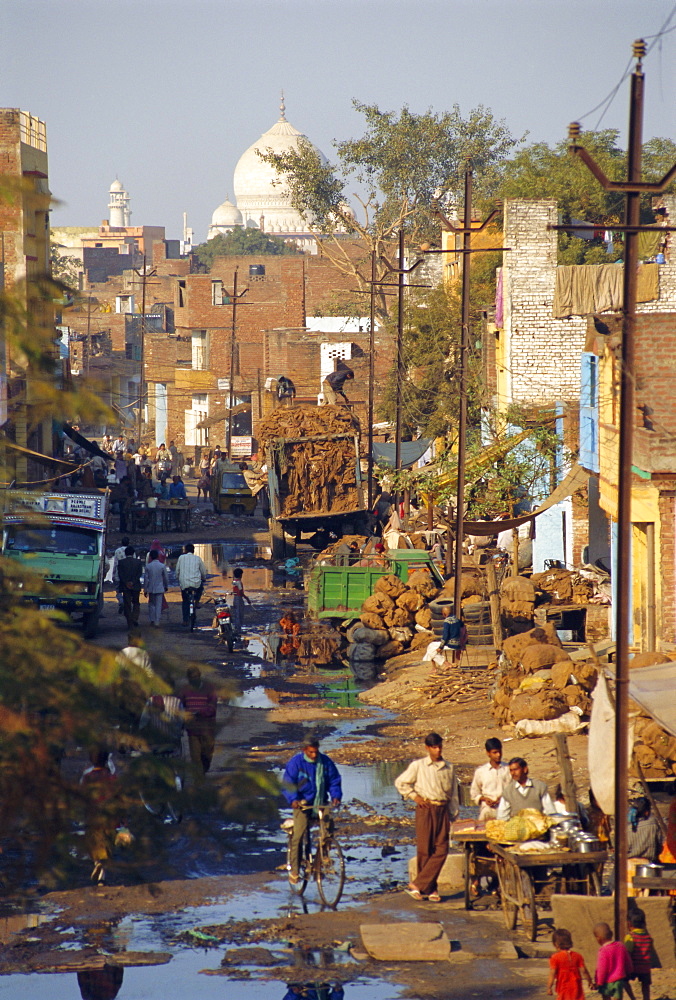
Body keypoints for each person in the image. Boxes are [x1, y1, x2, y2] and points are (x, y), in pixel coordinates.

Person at [394, 732, 459, 902]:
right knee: (425, 849)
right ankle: (430, 889)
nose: (437, 750)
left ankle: (418, 884)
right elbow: (401, 782)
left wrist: (453, 815)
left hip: (442, 809)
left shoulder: (449, 767)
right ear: (427, 748)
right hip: (425, 808)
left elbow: (453, 794)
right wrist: (414, 796)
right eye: (434, 747)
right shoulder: (419, 766)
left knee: (442, 849)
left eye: (439, 747)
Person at [282, 736, 342, 884]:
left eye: (316, 752)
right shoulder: (296, 763)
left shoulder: (325, 762)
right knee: (299, 834)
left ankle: (322, 860)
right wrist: (293, 800)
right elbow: (288, 783)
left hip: (320, 801)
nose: (314, 755)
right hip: (303, 804)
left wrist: (336, 796)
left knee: (328, 829)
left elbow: (334, 781)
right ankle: (295, 870)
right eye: (311, 752)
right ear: (305, 751)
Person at [80, 746, 121, 885]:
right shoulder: (112, 777)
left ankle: (97, 864)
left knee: (95, 844)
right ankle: (102, 872)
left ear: (91, 760)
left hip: (93, 816)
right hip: (110, 816)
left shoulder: (87, 777)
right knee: (107, 844)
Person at [177, 667, 218, 775]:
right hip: (192, 729)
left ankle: (204, 770)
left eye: (196, 677)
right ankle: (199, 779)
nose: (194, 680)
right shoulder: (185, 690)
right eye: (191, 678)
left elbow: (212, 708)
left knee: (207, 753)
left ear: (200, 677)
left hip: (207, 728)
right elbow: (180, 707)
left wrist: (199, 712)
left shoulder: (210, 689)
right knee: (195, 756)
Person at [627, 796, 662, 897]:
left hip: (627, 867)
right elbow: (658, 846)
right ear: (647, 812)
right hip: (647, 867)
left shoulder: (626, 827)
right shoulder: (653, 824)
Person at [470, 737, 511, 822]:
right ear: (488, 753)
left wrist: (502, 798)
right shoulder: (481, 771)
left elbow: (514, 790)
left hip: (505, 808)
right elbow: (474, 793)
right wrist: (484, 799)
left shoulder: (508, 769)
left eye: (499, 751)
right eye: (495, 752)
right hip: (487, 809)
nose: (498, 755)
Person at [547, 927, 592, 1000]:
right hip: (577, 988)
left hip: (563, 988)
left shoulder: (555, 958)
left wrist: (549, 987)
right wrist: (590, 982)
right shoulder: (577, 956)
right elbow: (584, 971)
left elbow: (552, 973)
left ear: (555, 944)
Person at [593, 922, 635, 1000]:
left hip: (606, 982)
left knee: (605, 996)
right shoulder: (620, 946)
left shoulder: (603, 951)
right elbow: (628, 961)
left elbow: (602, 969)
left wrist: (599, 982)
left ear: (598, 938)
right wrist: (630, 971)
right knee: (618, 997)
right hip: (619, 980)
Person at [175, 543, 208, 627]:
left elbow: (177, 571)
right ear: (193, 551)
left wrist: (178, 578)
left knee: (185, 601)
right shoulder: (198, 559)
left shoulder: (181, 558)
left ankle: (185, 620)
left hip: (184, 584)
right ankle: (197, 602)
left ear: (185, 550)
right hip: (195, 583)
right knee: (200, 588)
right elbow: (203, 571)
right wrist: (203, 578)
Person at [625, 907, 653, 1000]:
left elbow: (628, 953)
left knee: (624, 981)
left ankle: (633, 998)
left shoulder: (630, 937)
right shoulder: (648, 937)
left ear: (629, 923)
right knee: (645, 985)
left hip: (633, 967)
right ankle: (646, 998)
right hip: (645, 967)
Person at [116, 546, 144, 629]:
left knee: (127, 604)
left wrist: (126, 582)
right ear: (133, 553)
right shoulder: (138, 562)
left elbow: (120, 575)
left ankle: (129, 622)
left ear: (125, 553)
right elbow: (139, 574)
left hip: (125, 586)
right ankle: (134, 618)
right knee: (136, 603)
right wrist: (133, 582)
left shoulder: (121, 562)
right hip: (135, 585)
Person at [143, 549, 169, 627]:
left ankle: (152, 620)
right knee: (158, 605)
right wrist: (166, 586)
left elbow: (146, 579)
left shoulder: (148, 566)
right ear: (158, 556)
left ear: (150, 557)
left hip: (151, 588)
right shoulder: (162, 566)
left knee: (151, 604)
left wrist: (145, 589)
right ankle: (157, 621)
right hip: (159, 588)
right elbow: (165, 578)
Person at [111, 535, 130, 615]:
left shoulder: (117, 551)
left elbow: (115, 563)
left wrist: (113, 574)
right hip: (128, 575)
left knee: (118, 591)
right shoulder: (131, 550)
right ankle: (126, 605)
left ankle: (121, 602)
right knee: (127, 591)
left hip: (118, 575)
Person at [231, 567, 252, 637]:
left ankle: (238, 629)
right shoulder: (239, 582)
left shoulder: (234, 581)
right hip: (238, 598)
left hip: (235, 598)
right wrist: (247, 598)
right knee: (239, 614)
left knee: (237, 613)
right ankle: (238, 630)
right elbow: (240, 592)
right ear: (240, 575)